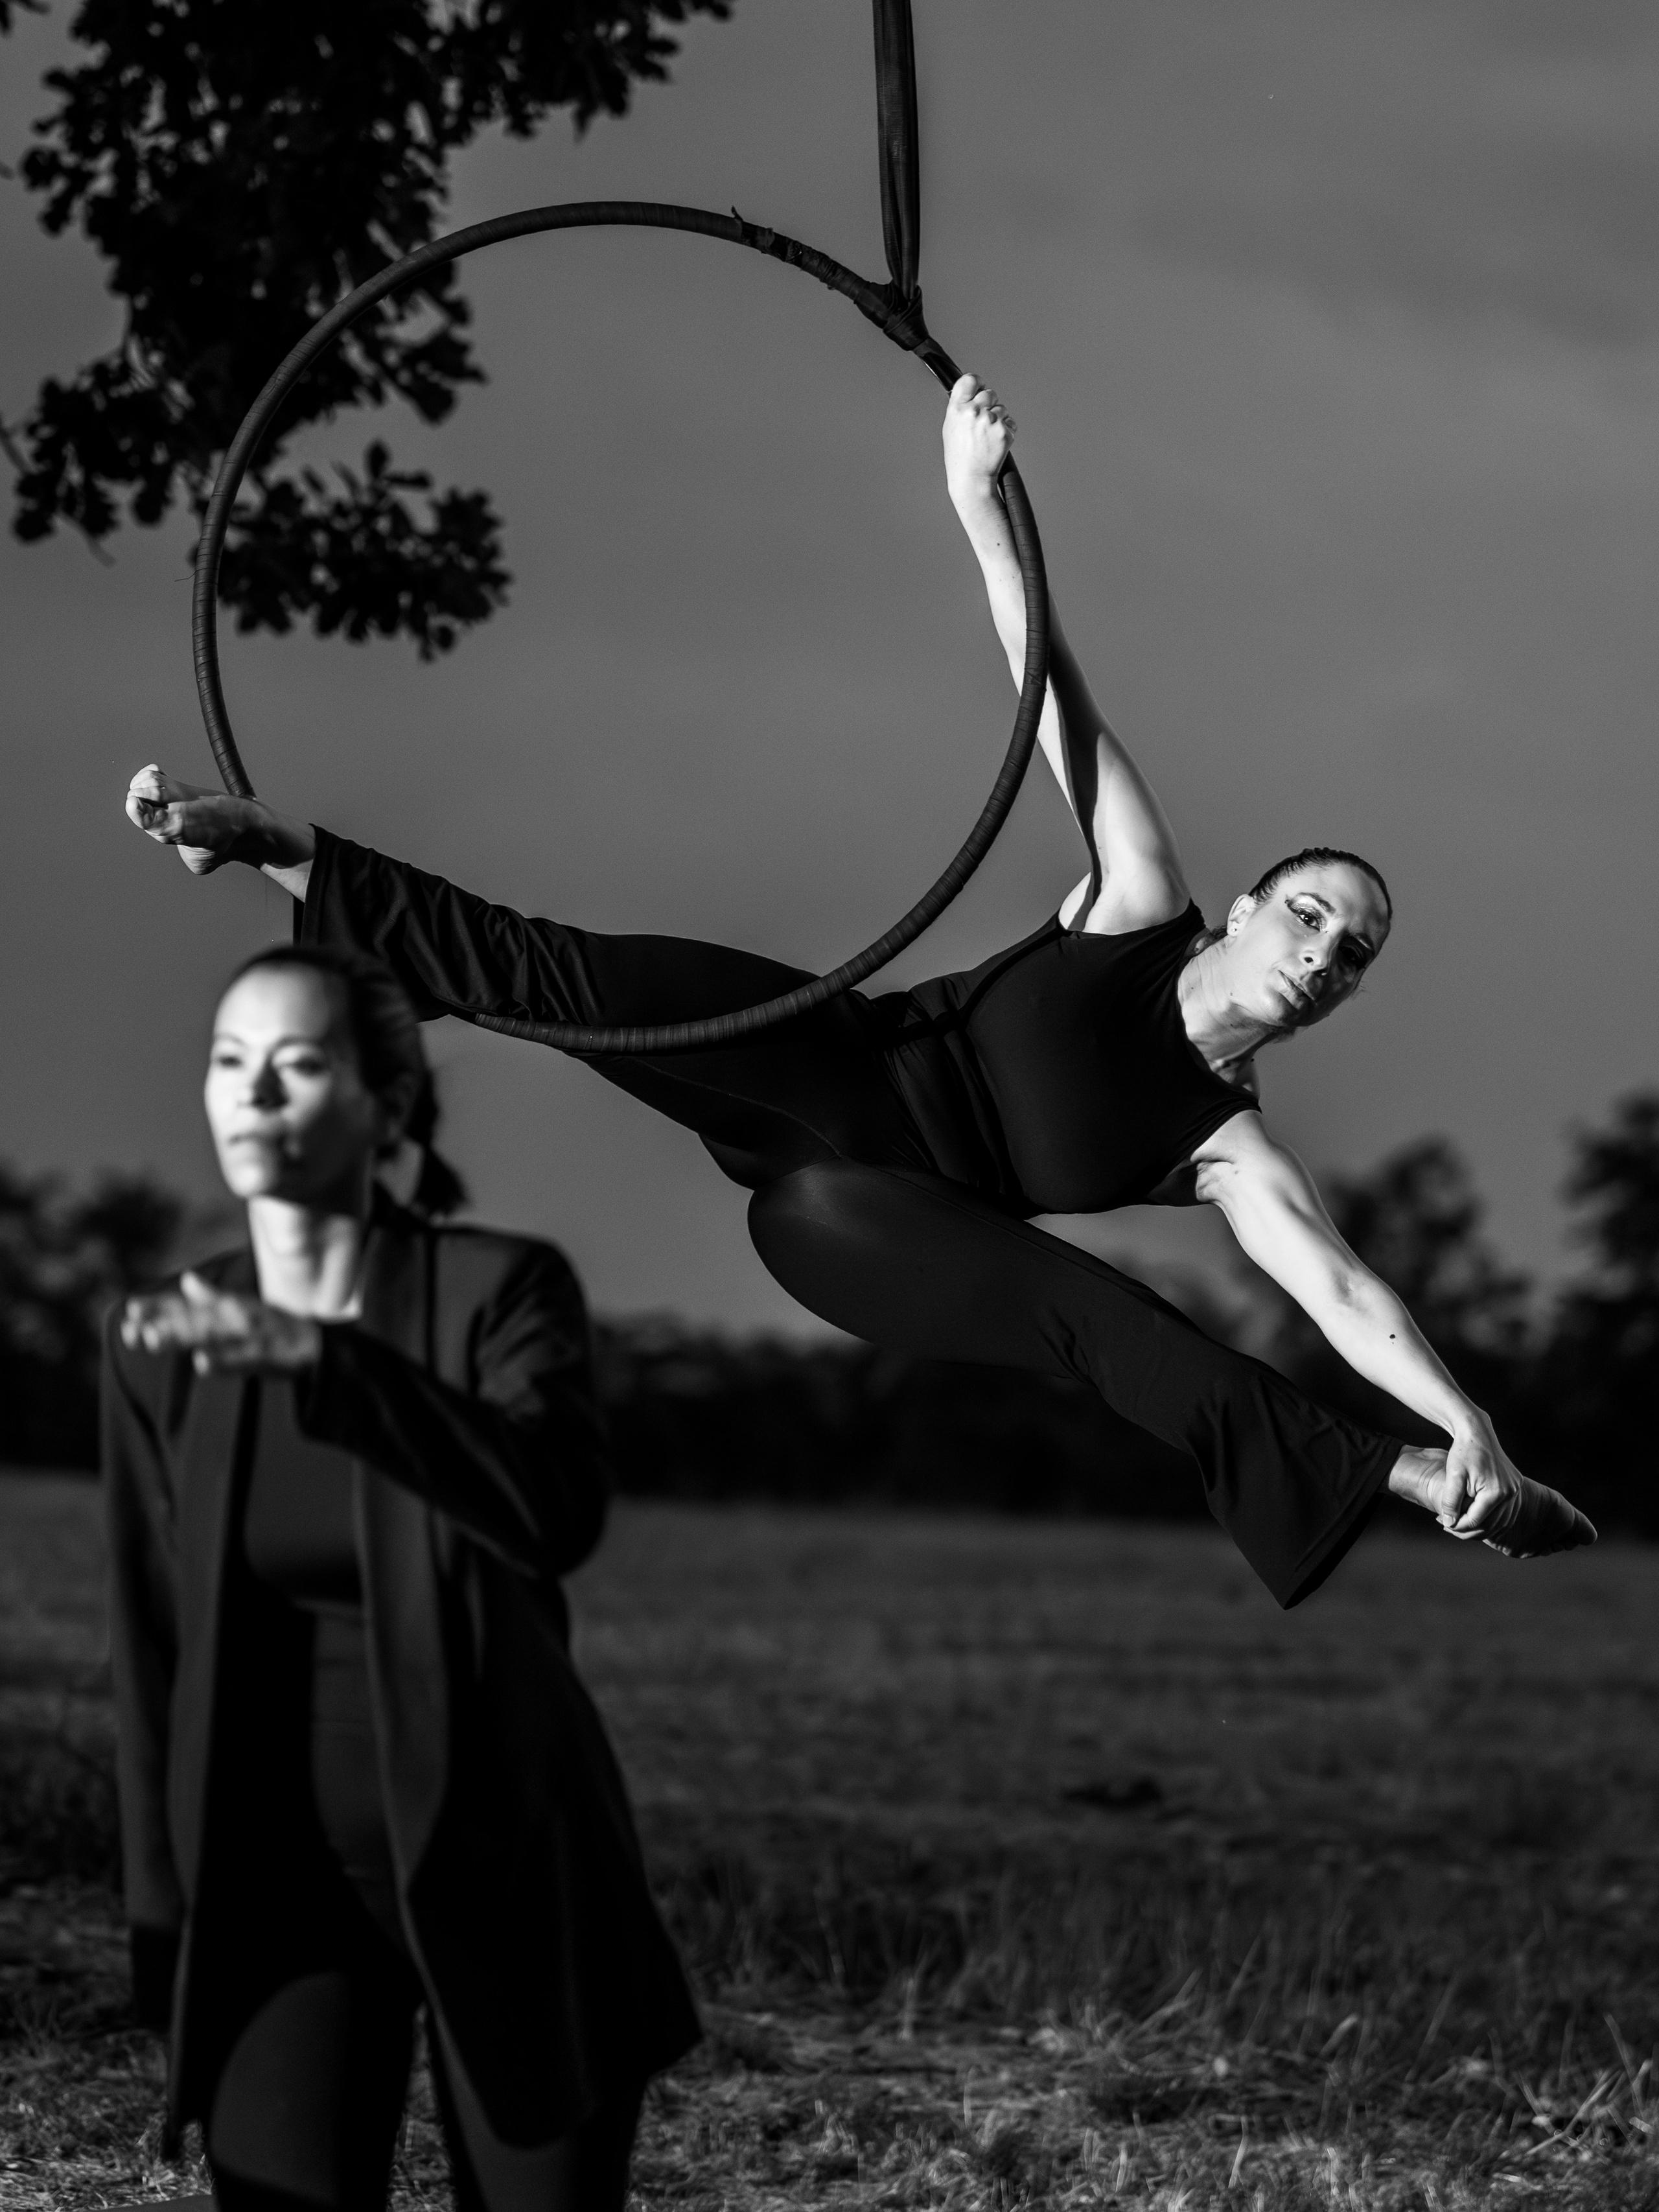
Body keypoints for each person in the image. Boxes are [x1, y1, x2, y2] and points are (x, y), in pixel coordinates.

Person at [125, 374, 1594, 1611]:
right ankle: (288, 852)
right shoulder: (1139, 901)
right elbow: (1048, 693)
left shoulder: (1225, 1145)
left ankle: (1408, 1477)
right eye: (1315, 914)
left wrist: (1458, 1413)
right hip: (827, 1069)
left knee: (1121, 1325)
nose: (1325, 954)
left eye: (1354, 955)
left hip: (875, 1227)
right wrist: (975, 500)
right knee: (578, 975)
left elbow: (1337, 1291)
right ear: (1254, 903)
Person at [104, 942, 699, 2212]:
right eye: (228, 1063)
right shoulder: (167, 1332)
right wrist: (166, 1930)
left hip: (514, 1875)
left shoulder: (499, 1289)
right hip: (277, 1894)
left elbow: (552, 1511)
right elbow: (152, 1650)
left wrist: (319, 1362)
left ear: (385, 1103)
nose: (252, 1096)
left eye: (299, 1064)